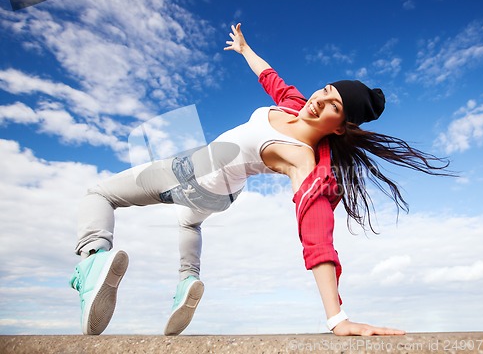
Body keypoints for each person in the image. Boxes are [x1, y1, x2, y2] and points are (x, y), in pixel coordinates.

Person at [70, 23, 449, 336]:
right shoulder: (295, 105)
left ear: (341, 127)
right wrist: (245, 48)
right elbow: (272, 79)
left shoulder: (303, 161)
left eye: (333, 106)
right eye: (327, 90)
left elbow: (317, 236)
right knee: (188, 221)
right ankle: (187, 280)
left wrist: (337, 319)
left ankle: (92, 262)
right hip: (223, 193)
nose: (320, 100)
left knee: (99, 194)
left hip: (191, 174)